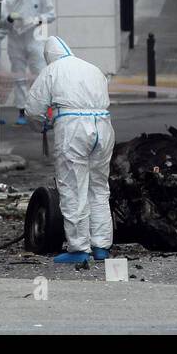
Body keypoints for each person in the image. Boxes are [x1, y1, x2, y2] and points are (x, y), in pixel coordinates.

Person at [26, 36, 115, 264]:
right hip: (103, 126)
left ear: (49, 58)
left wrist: (42, 125)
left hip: (73, 128)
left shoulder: (52, 70)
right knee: (99, 187)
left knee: (73, 188)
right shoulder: (93, 68)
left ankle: (78, 249)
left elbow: (33, 109)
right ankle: (101, 246)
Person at [2, 0, 56, 125]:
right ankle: (21, 110)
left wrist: (37, 19)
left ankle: (43, 109)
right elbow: (3, 21)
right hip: (15, 41)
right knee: (19, 76)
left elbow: (51, 14)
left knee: (40, 74)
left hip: (35, 39)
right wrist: (10, 18)